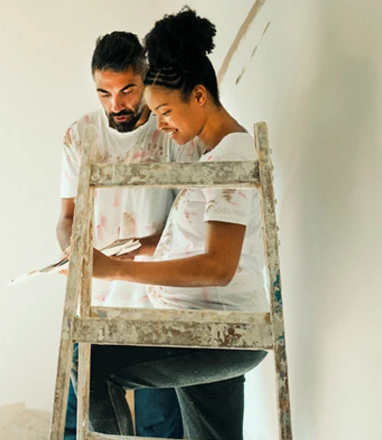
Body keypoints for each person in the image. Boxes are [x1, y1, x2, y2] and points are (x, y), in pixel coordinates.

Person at [83, 8, 269, 438]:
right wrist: (147, 245)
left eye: (165, 111)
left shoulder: (230, 158)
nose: (161, 125)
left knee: (94, 364)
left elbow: (217, 267)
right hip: (206, 322)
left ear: (199, 96)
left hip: (212, 328)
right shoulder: (215, 158)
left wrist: (115, 270)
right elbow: (212, 246)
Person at [57, 31, 200, 439]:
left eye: (127, 90)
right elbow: (65, 217)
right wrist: (74, 253)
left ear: (145, 79)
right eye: (104, 93)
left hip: (159, 299)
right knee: (81, 419)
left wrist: (125, 259)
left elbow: (187, 225)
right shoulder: (79, 136)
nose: (116, 105)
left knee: (161, 424)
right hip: (95, 300)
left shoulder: (169, 130)